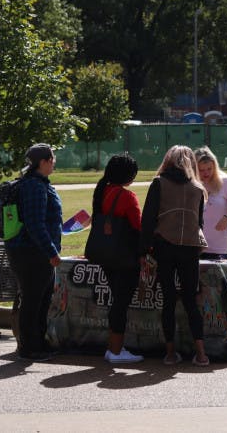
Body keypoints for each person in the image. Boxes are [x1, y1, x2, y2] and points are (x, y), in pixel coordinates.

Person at [141, 145, 210, 367]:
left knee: (168, 300)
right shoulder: (198, 188)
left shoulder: (159, 183)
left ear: (167, 160)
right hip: (190, 248)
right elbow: (199, 223)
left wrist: (144, 249)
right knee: (191, 300)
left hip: (165, 246)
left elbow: (148, 219)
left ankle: (170, 353)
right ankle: (201, 354)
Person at [5, 143, 62, 362]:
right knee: (33, 300)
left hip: (34, 251)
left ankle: (39, 343)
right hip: (31, 253)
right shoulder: (34, 187)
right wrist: (51, 253)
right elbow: (34, 224)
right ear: (44, 161)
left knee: (41, 299)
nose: (54, 163)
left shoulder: (38, 184)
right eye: (52, 159)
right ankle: (29, 347)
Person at [92, 153, 144, 364]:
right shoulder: (126, 196)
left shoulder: (102, 191)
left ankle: (113, 348)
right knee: (121, 303)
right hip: (124, 256)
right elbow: (138, 227)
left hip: (105, 254)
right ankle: (115, 349)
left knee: (117, 300)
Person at [194, 146, 227, 260]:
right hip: (195, 247)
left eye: (209, 168)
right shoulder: (191, 184)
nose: (206, 173)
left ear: (215, 166)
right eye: (201, 170)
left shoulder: (226, 182)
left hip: (219, 248)